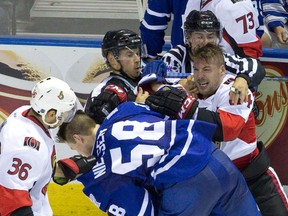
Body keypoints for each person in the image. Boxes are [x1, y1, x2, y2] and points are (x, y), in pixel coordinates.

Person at [145, 43, 288, 216]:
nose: (200, 76)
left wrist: (187, 107)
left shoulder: (234, 90)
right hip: (211, 182)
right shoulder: (186, 91)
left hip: (251, 176)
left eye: (206, 69)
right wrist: (154, 83)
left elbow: (227, 129)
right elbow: (149, 94)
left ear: (222, 70)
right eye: (196, 70)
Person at [55, 105, 261, 215]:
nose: (80, 152)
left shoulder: (107, 167)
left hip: (185, 184)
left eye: (74, 148)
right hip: (215, 158)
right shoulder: (125, 109)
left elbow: (141, 210)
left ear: (77, 138)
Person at [0, 77, 77, 216]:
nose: (66, 118)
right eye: (64, 113)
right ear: (51, 114)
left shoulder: (23, 112)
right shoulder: (28, 147)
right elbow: (11, 200)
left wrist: (55, 169)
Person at [162, 10, 266, 105]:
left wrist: (243, 79)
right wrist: (180, 86)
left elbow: (255, 66)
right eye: (199, 36)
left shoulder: (220, 58)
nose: (205, 42)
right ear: (188, 37)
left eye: (210, 36)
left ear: (217, 38)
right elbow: (157, 84)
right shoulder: (174, 57)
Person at [140, 0, 262, 60]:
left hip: (229, 76)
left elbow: (251, 49)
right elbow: (152, 26)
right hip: (187, 72)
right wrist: (150, 58)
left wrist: (244, 77)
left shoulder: (238, 4)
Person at [84, 29, 145, 124]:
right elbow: (95, 133)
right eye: (129, 55)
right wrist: (136, 108)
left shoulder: (147, 79)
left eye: (137, 53)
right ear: (112, 60)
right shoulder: (103, 92)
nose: (137, 59)